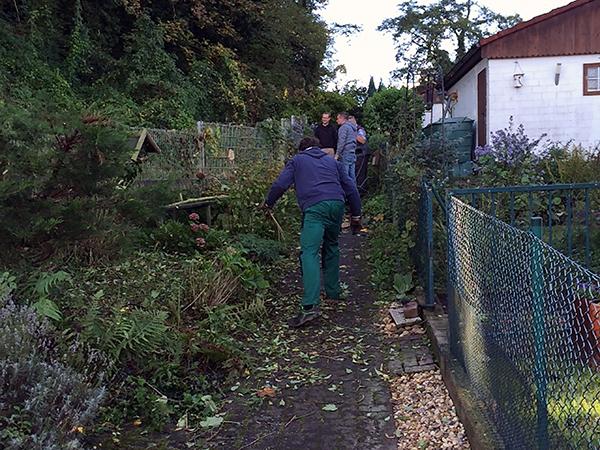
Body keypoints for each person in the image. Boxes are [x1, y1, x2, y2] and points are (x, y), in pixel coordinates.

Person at [263, 136, 362, 328]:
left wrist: (269, 203)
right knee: (331, 246)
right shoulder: (332, 162)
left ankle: (310, 306)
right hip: (337, 204)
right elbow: (350, 187)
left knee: (309, 253)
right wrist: (356, 215)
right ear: (318, 149)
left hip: (315, 208)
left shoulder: (297, 160)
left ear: (302, 149)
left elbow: (281, 184)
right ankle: (333, 292)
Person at [349, 116, 370, 194]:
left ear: (354, 121)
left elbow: (362, 140)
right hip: (355, 154)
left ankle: (361, 191)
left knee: (360, 173)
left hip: (362, 154)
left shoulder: (360, 130)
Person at [336, 112, 357, 185]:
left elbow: (341, 142)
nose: (336, 120)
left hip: (345, 153)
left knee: (345, 176)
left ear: (342, 118)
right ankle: (354, 194)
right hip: (352, 153)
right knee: (352, 176)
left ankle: (346, 195)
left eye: (338, 118)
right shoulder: (353, 128)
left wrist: (337, 154)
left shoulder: (343, 128)